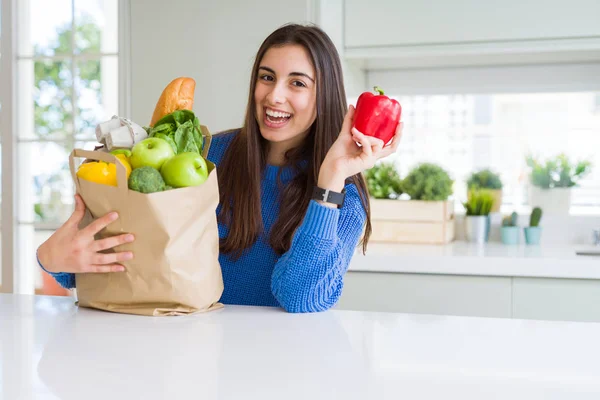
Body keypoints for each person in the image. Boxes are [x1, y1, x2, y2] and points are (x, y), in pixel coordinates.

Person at [36, 23, 402, 313]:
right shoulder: (208, 156)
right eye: (267, 77)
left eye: (298, 83)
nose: (274, 95)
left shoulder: (343, 195)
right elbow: (137, 252)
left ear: (325, 96)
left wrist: (328, 184)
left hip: (280, 371)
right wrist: (53, 257)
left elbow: (301, 298)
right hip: (177, 353)